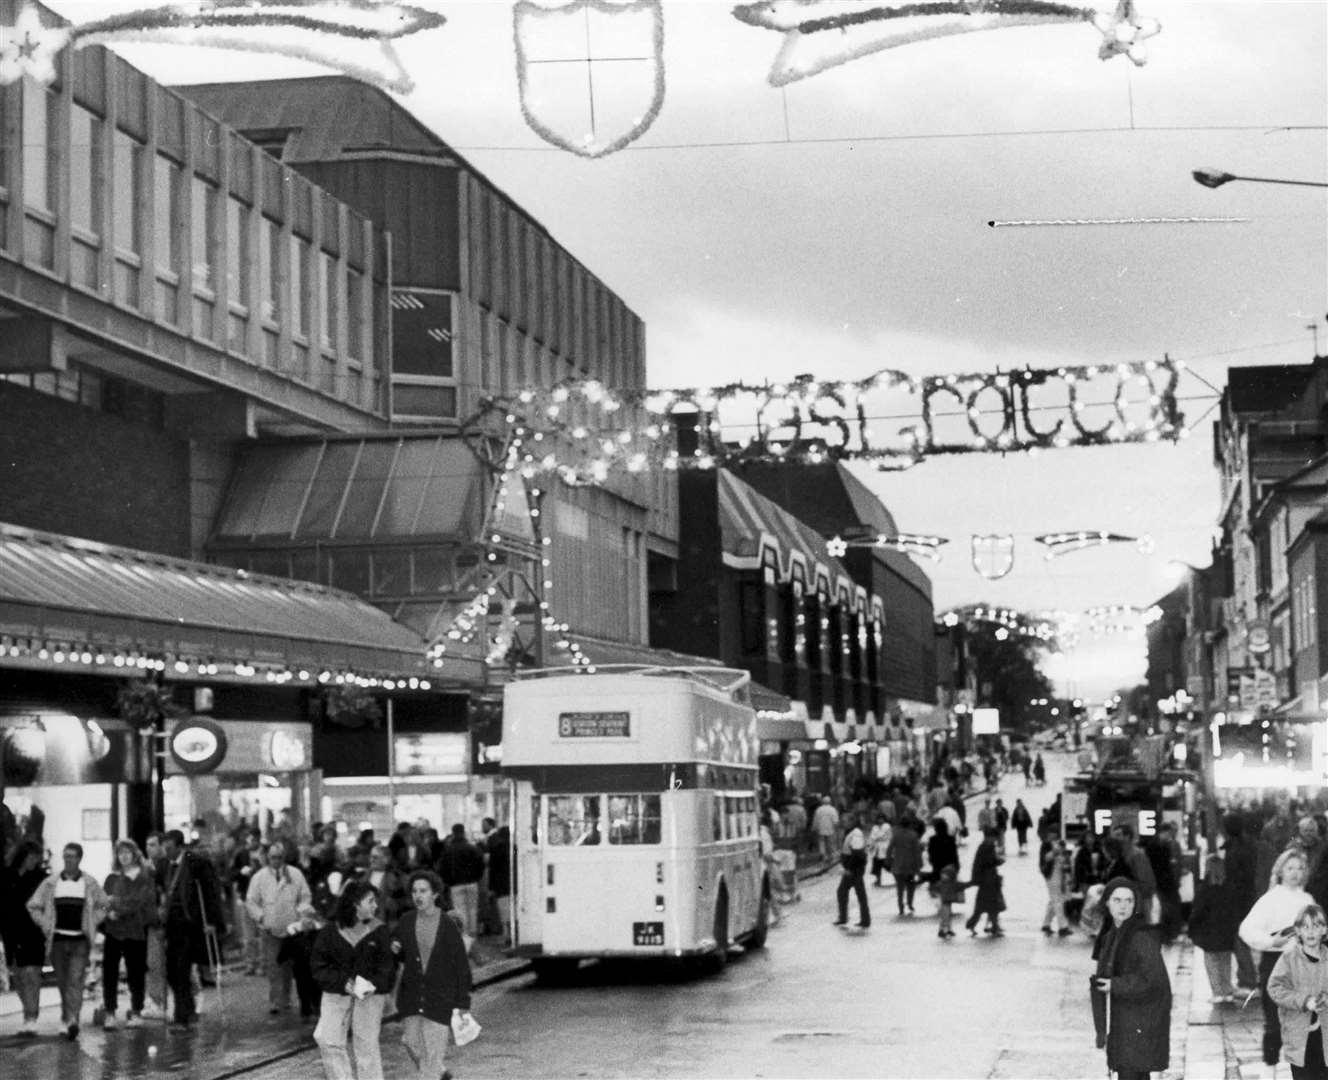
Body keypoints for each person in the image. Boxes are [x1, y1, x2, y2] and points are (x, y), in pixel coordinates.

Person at [391, 870, 475, 1080]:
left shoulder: (447, 924)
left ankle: (433, 1072)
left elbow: (461, 966)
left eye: (423, 891)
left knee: (429, 1058)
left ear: (435, 894)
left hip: (439, 999)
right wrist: (395, 948)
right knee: (410, 1042)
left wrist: (463, 1003)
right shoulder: (406, 921)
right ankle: (438, 1072)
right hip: (411, 998)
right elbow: (401, 954)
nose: (418, 896)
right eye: (414, 891)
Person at [311, 881, 396, 1080]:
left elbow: (387, 969)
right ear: (355, 904)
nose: (376, 906)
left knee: (366, 1045)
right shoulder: (331, 932)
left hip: (370, 995)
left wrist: (371, 985)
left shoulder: (379, 930)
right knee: (328, 1040)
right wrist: (343, 983)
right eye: (371, 901)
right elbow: (318, 966)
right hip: (337, 993)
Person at [1090, 876, 1172, 1080]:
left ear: (1136, 904)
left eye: (1129, 901)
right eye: (1117, 900)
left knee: (1131, 1073)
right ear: (1107, 902)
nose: (1123, 906)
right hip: (1127, 1021)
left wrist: (1114, 985)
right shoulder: (1112, 935)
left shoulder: (1140, 936)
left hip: (1141, 1022)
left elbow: (1153, 980)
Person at [1242, 849, 1317, 1072]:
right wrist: (1270, 942)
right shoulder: (1271, 899)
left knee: (1305, 1023)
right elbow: (1247, 929)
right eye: (1290, 868)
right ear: (1281, 870)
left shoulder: (1307, 899)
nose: (1295, 873)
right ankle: (1269, 1071)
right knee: (1274, 1023)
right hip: (1276, 964)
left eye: (1300, 868)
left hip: (1304, 966)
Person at [26, 841, 109, 1039]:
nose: (68, 860)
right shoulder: (51, 883)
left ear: (79, 858)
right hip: (58, 940)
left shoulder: (88, 883)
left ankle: (72, 1020)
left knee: (75, 980)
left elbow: (104, 904)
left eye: (72, 856)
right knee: (63, 982)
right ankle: (67, 1016)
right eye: (65, 856)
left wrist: (92, 921)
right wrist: (45, 923)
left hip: (80, 940)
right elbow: (33, 905)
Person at [160, 828, 225, 1028]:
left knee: (181, 969)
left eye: (169, 848)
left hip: (192, 925)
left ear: (179, 846)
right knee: (172, 970)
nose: (166, 851)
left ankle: (182, 1017)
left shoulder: (197, 863)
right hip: (173, 925)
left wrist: (212, 922)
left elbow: (211, 892)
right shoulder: (165, 865)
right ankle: (187, 1009)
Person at [247, 840, 312, 1016]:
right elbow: (251, 901)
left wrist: (300, 914)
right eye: (273, 857)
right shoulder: (259, 877)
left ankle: (287, 998)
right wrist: (261, 917)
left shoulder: (296, 875)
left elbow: (305, 897)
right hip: (270, 929)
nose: (276, 861)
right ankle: (274, 1000)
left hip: (292, 929)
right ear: (268, 858)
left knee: (289, 966)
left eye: (279, 857)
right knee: (273, 965)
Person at [101, 839, 158, 1029]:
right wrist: (110, 908)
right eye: (120, 853)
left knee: (136, 972)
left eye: (127, 852)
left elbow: (139, 901)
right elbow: (104, 900)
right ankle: (110, 1011)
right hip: (114, 931)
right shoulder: (111, 878)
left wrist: (116, 905)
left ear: (134, 854)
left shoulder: (144, 876)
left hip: (135, 931)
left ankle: (136, 1010)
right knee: (110, 972)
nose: (124, 856)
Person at [1267, 903, 1328, 1080]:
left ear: (1324, 930)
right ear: (1297, 931)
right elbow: (1275, 987)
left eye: (1316, 926)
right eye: (1305, 926)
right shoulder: (1289, 958)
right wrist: (1302, 1000)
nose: (1310, 932)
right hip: (1299, 1036)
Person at [2, 840, 49, 1036]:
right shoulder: (6, 875)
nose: (33, 861)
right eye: (31, 857)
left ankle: (31, 1017)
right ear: (22, 855)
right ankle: (27, 1012)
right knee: (19, 975)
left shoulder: (41, 878)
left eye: (36, 858)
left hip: (33, 931)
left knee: (32, 973)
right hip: (11, 931)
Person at [1188, 852, 1243, 1005]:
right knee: (1226, 961)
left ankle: (1217, 991)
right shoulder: (1230, 887)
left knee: (1212, 961)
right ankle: (1227, 990)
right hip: (1227, 932)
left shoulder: (1204, 889)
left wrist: (1192, 929)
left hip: (1209, 933)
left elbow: (1197, 911)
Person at [436, 824, 485, 940]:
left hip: (456, 884)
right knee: (473, 909)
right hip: (472, 882)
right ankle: (473, 934)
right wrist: (477, 877)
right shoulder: (472, 848)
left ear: (453, 833)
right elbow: (480, 864)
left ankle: (464, 934)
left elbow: (443, 868)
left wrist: (448, 881)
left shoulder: (448, 850)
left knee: (460, 910)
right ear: (464, 832)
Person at [965, 827, 1006, 937]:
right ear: (990, 837)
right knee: (991, 905)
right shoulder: (987, 846)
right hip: (988, 880)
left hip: (986, 879)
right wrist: (999, 861)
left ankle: (974, 924)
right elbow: (988, 861)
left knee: (983, 906)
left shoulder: (984, 846)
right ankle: (993, 927)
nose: (995, 840)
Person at [833, 812, 870, 929]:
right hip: (853, 868)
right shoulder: (850, 833)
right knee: (855, 893)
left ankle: (858, 919)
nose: (843, 823)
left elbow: (857, 854)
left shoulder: (856, 834)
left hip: (854, 869)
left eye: (845, 821)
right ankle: (861, 919)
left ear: (852, 821)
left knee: (847, 892)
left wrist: (849, 868)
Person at [884, 815, 923, 916]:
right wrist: (919, 866)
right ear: (910, 825)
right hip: (910, 868)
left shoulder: (896, 835)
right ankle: (910, 903)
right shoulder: (913, 835)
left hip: (898, 867)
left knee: (900, 887)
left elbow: (889, 849)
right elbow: (917, 852)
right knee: (910, 886)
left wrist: (888, 861)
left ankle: (900, 906)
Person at [1042, 837, 1073, 937]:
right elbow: (1047, 858)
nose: (1062, 848)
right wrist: (1055, 852)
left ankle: (1046, 924)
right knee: (1058, 903)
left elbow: (1066, 868)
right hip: (1053, 880)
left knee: (1054, 902)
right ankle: (1062, 927)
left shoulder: (1064, 855)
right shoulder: (1053, 853)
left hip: (1060, 881)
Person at [935, 864, 969, 939]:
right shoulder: (941, 883)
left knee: (947, 917)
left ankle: (946, 929)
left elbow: (961, 885)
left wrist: (970, 883)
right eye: (943, 874)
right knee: (945, 917)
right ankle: (944, 930)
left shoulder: (952, 883)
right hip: (943, 902)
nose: (943, 876)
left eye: (945, 874)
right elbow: (935, 889)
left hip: (947, 902)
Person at [868, 812, 893, 887]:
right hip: (877, 850)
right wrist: (870, 844)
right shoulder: (874, 827)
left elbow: (889, 836)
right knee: (876, 866)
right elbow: (872, 837)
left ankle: (899, 878)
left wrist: (878, 838)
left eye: (881, 818)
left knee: (889, 866)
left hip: (885, 848)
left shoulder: (887, 826)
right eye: (879, 819)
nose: (880, 820)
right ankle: (878, 880)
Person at [812, 796, 840, 863]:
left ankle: (823, 855)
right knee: (831, 843)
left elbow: (815, 820)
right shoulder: (832, 809)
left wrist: (814, 827)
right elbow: (835, 820)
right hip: (830, 829)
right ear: (830, 802)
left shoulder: (818, 809)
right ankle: (832, 856)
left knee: (821, 842)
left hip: (820, 828)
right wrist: (837, 827)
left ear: (822, 802)